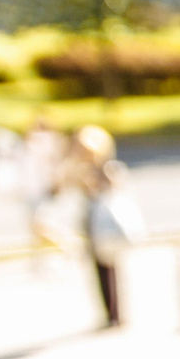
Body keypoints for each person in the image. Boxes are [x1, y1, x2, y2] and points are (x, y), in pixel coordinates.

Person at [73, 127, 143, 329]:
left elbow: (117, 189)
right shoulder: (83, 170)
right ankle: (110, 313)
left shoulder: (109, 168)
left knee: (112, 268)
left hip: (107, 224)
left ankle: (117, 314)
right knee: (101, 269)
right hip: (94, 225)